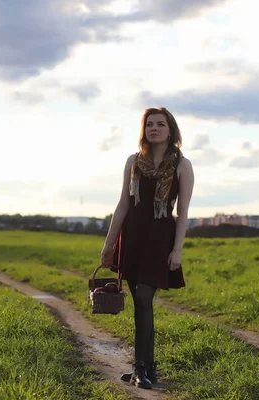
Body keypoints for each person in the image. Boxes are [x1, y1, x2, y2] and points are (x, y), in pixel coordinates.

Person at [100, 107, 195, 389]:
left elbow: (183, 212)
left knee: (143, 299)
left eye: (160, 124)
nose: (153, 128)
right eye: (149, 124)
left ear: (171, 129)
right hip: (132, 237)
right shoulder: (133, 161)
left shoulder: (182, 164)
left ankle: (140, 367)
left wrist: (177, 250)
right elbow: (122, 205)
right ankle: (148, 368)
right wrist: (108, 244)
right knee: (141, 303)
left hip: (159, 238)